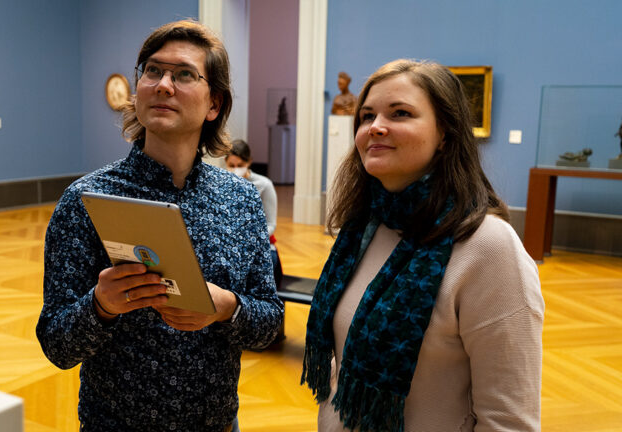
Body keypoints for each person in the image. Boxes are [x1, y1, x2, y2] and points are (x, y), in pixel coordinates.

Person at [36, 20, 283, 432]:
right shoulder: (85, 200)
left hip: (216, 423)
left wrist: (226, 308)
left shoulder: (241, 200)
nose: (163, 84)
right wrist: (101, 305)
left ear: (214, 105)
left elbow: (269, 323)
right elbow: (56, 345)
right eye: (152, 70)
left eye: (184, 74)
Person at [302, 59, 544, 432]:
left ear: (445, 133)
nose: (375, 127)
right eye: (366, 117)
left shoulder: (489, 247)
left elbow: (509, 421)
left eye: (400, 113)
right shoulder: (362, 229)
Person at [224, 139, 282, 288]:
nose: (236, 170)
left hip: (261, 247)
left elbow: (271, 225)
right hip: (230, 247)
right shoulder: (222, 184)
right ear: (225, 163)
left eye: (240, 166)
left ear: (249, 162)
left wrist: (249, 240)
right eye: (231, 166)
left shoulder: (264, 185)